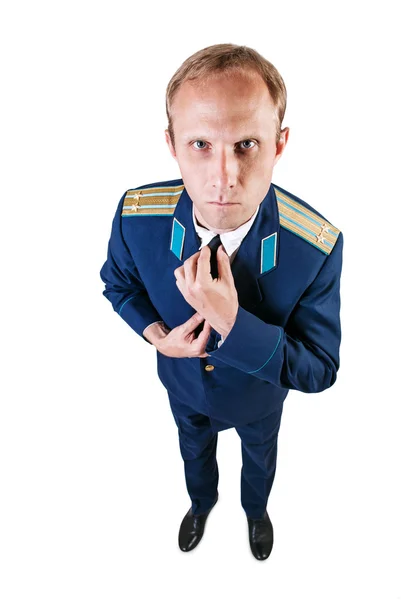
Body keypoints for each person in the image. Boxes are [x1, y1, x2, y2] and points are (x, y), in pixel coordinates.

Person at [99, 43, 343, 560]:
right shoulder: (137, 215)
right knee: (193, 454)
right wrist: (158, 338)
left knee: (260, 461)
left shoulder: (315, 246)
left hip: (259, 400)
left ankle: (256, 513)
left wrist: (233, 322)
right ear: (172, 144)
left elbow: (319, 369)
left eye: (247, 144)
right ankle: (200, 504)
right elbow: (119, 284)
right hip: (183, 388)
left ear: (280, 144)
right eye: (201, 144)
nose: (224, 175)